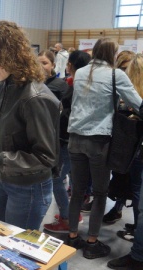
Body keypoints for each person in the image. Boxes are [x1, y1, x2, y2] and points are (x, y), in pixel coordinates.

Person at [0, 21, 60, 230]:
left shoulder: (35, 97)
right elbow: (6, 126)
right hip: (8, 179)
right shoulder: (8, 84)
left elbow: (45, 157)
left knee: (14, 249)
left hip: (29, 187)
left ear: (11, 55)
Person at [65, 38, 142, 259]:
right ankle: (92, 242)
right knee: (100, 193)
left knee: (78, 192)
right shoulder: (115, 74)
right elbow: (137, 103)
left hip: (75, 139)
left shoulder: (80, 72)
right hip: (98, 141)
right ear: (112, 54)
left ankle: (72, 237)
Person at [43, 50, 91, 233]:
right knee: (62, 179)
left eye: (45, 63)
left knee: (56, 179)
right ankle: (69, 214)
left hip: (70, 141)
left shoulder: (74, 86)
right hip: (66, 140)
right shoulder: (72, 84)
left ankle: (68, 216)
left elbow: (71, 114)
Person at [103, 52, 142, 242]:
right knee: (127, 185)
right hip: (127, 147)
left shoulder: (136, 95)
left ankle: (137, 230)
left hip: (134, 148)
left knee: (136, 191)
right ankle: (131, 222)